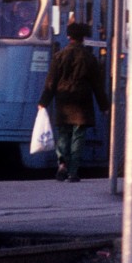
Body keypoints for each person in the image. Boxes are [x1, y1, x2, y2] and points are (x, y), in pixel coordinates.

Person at [38, 21, 108, 182]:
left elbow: (51, 82)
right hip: (82, 101)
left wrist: (44, 102)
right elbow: (97, 85)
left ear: (68, 36)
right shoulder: (89, 58)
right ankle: (73, 172)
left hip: (63, 100)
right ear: (83, 38)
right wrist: (104, 106)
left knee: (63, 134)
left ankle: (62, 163)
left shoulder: (59, 56)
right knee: (78, 136)